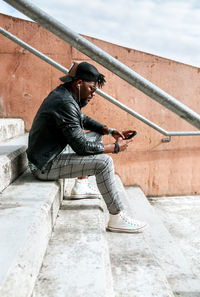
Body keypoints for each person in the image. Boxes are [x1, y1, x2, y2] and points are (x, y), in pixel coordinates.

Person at [27, 61, 148, 233]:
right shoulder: (65, 102)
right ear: (78, 83)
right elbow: (82, 147)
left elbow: (82, 118)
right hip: (45, 165)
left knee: (95, 135)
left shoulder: (65, 94)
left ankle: (81, 186)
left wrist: (110, 130)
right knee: (104, 162)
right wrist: (115, 147)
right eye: (92, 88)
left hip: (49, 153)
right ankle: (117, 217)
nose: (93, 93)